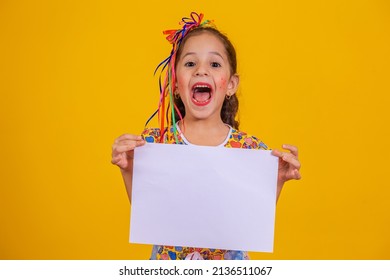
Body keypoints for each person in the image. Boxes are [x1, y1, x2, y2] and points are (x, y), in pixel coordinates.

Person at [111, 12, 301, 260]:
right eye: (190, 64)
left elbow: (249, 222)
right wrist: (129, 169)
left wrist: (274, 180)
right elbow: (151, 217)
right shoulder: (154, 143)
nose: (201, 70)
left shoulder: (250, 149)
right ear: (176, 84)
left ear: (231, 84)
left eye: (214, 64)